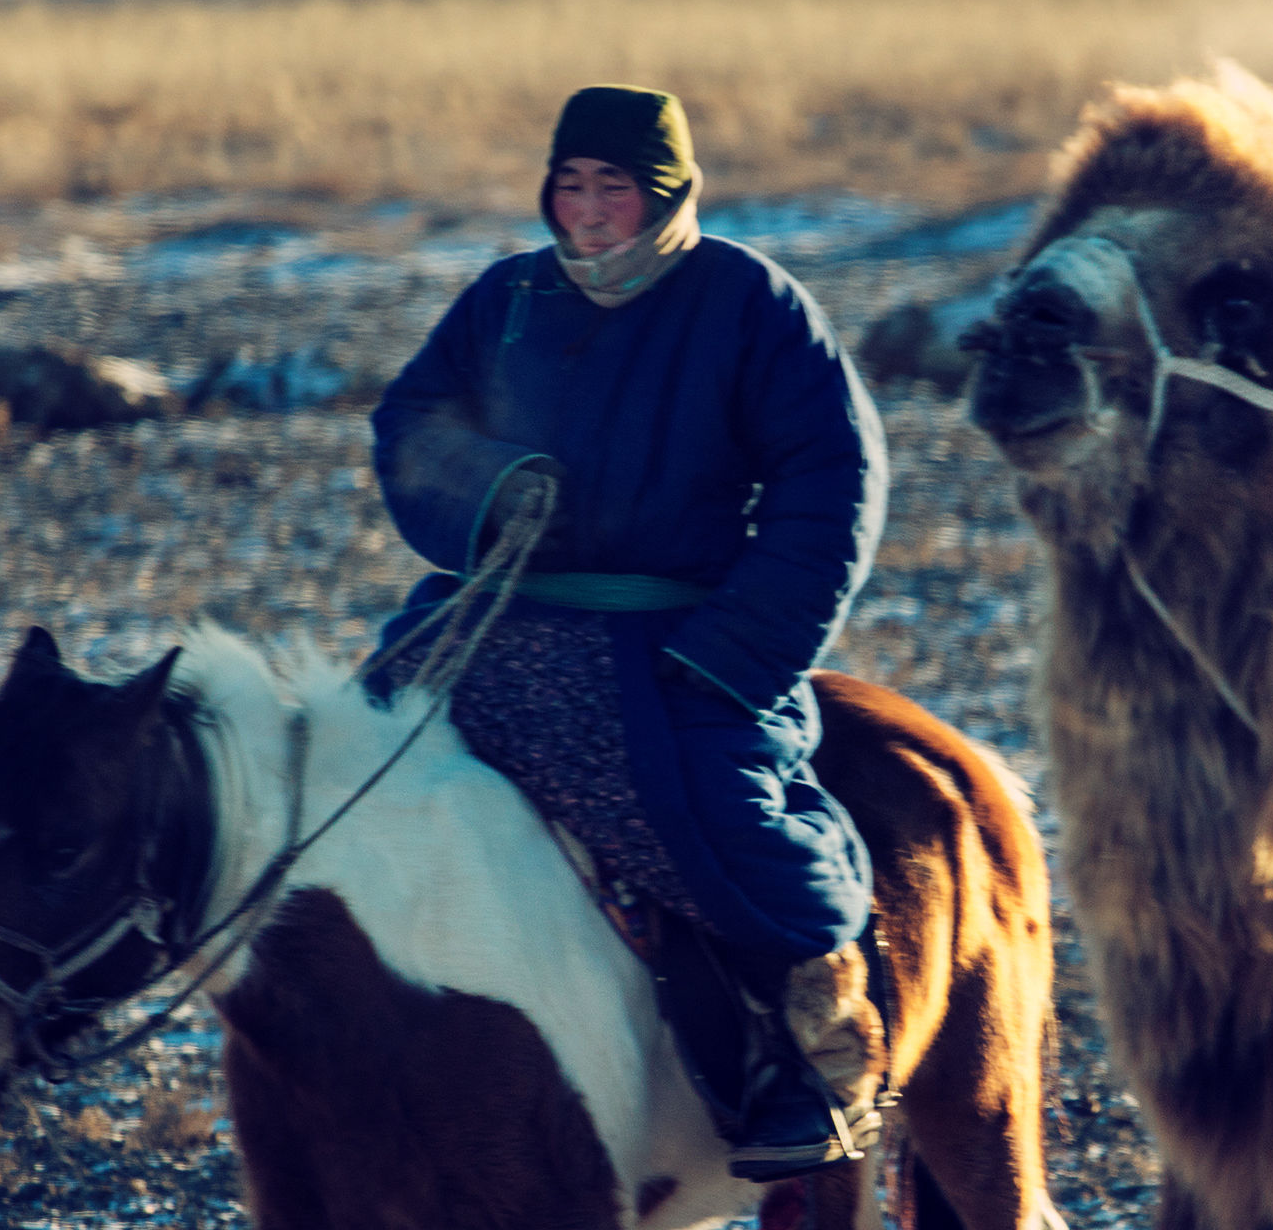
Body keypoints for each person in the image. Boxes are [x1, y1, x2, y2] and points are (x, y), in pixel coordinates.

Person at [369, 85, 888, 1175]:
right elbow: (413, 424)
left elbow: (832, 483)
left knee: (718, 821)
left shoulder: (748, 300)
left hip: (678, 636)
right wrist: (493, 483)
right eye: (573, 184)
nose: (591, 209)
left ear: (667, 193)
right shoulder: (508, 298)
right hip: (508, 615)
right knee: (358, 763)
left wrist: (737, 656)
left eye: (617, 186)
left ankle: (792, 1064)